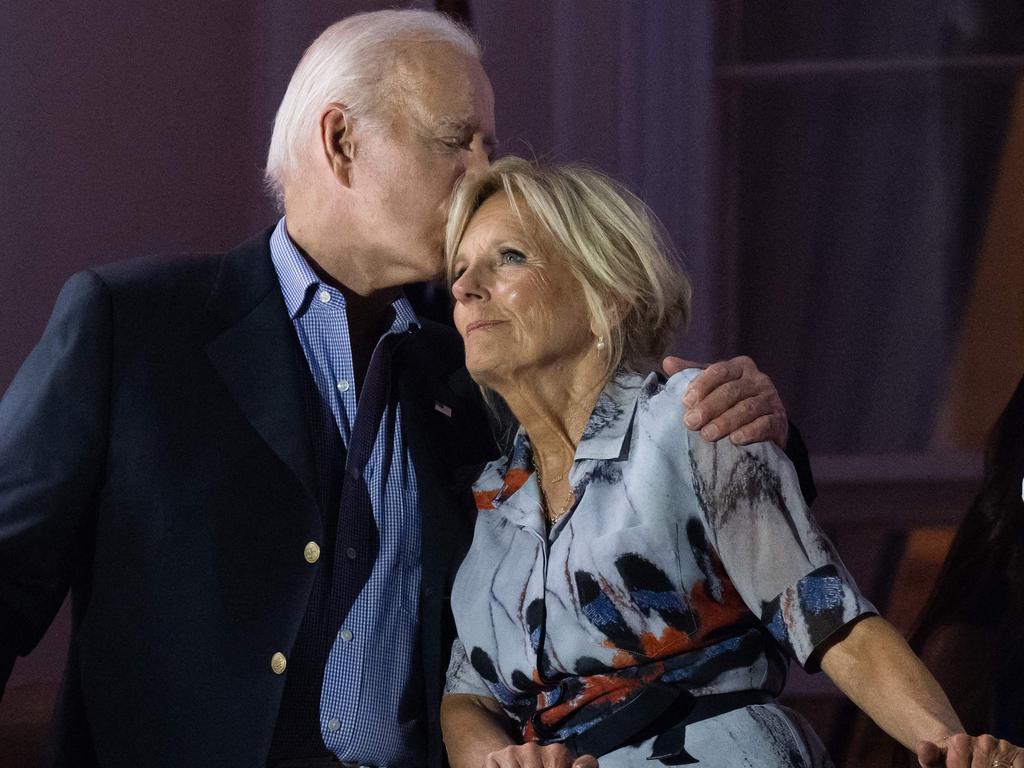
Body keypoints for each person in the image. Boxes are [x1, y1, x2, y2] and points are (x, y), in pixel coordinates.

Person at [0, 10, 794, 767]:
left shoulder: (484, 357)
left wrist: (752, 420)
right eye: (458, 142)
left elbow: (654, 470)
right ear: (341, 141)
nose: (487, 177)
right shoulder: (133, 328)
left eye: (488, 145)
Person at [438, 156, 1023, 768]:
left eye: (508, 257)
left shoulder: (695, 423)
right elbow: (467, 698)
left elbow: (828, 617)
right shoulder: (495, 500)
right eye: (459, 269)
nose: (464, 287)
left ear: (606, 294)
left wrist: (956, 748)